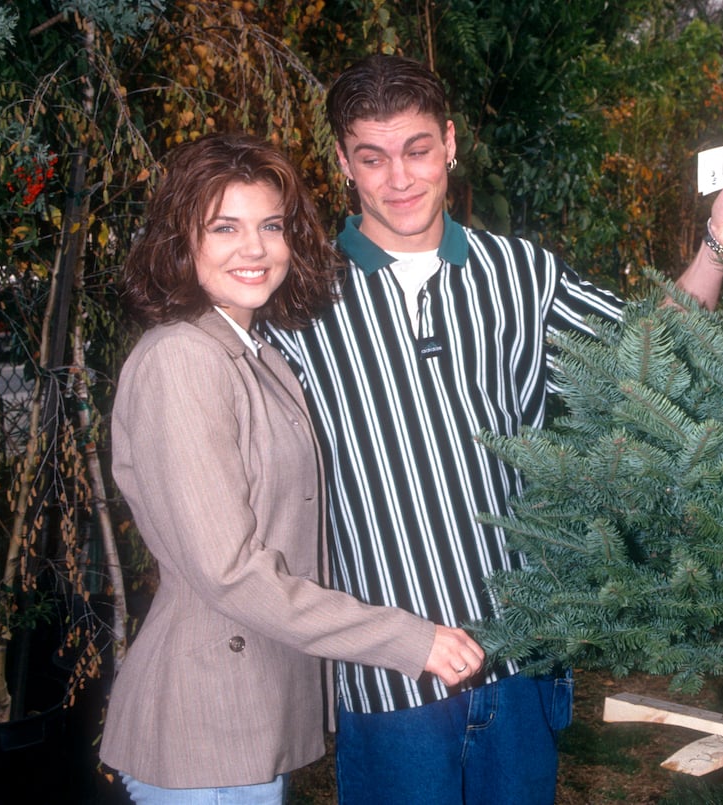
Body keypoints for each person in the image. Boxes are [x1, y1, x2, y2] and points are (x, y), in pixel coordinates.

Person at [265, 54, 723, 805]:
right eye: (372, 158)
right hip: (390, 679)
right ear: (343, 162)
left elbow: (642, 353)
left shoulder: (520, 272)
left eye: (416, 150)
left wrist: (717, 243)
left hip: (520, 659)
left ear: (449, 143)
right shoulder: (297, 294)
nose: (399, 179)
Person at [99, 132, 484, 805]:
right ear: (179, 241)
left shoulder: (255, 352)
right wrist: (404, 637)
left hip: (249, 713)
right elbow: (230, 569)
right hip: (203, 726)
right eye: (225, 227)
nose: (254, 248)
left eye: (269, 226)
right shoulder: (180, 360)